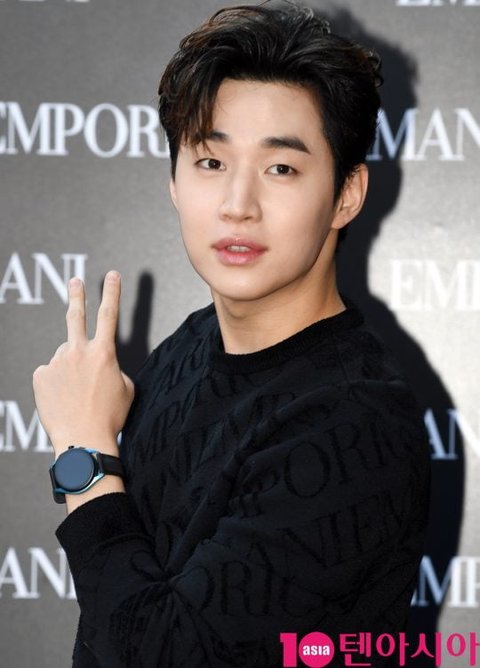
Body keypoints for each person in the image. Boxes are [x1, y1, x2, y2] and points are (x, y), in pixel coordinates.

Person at [33, 3, 430, 667]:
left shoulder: (356, 422)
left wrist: (84, 454)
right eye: (211, 162)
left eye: (281, 168)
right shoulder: (187, 348)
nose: (238, 204)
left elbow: (166, 654)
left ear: (347, 194)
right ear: (174, 182)